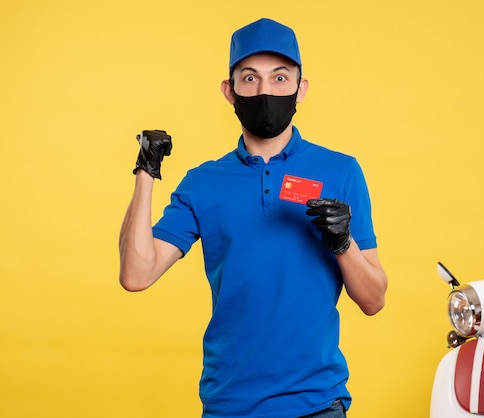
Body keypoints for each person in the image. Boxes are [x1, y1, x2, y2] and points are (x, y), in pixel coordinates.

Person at [119, 18, 387, 418]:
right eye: (250, 78)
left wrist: (343, 244)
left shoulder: (340, 171)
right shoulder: (203, 183)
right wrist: (146, 171)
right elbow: (136, 274)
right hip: (229, 403)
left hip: (316, 403)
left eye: (280, 78)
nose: (265, 91)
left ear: (302, 87)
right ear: (229, 91)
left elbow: (373, 299)